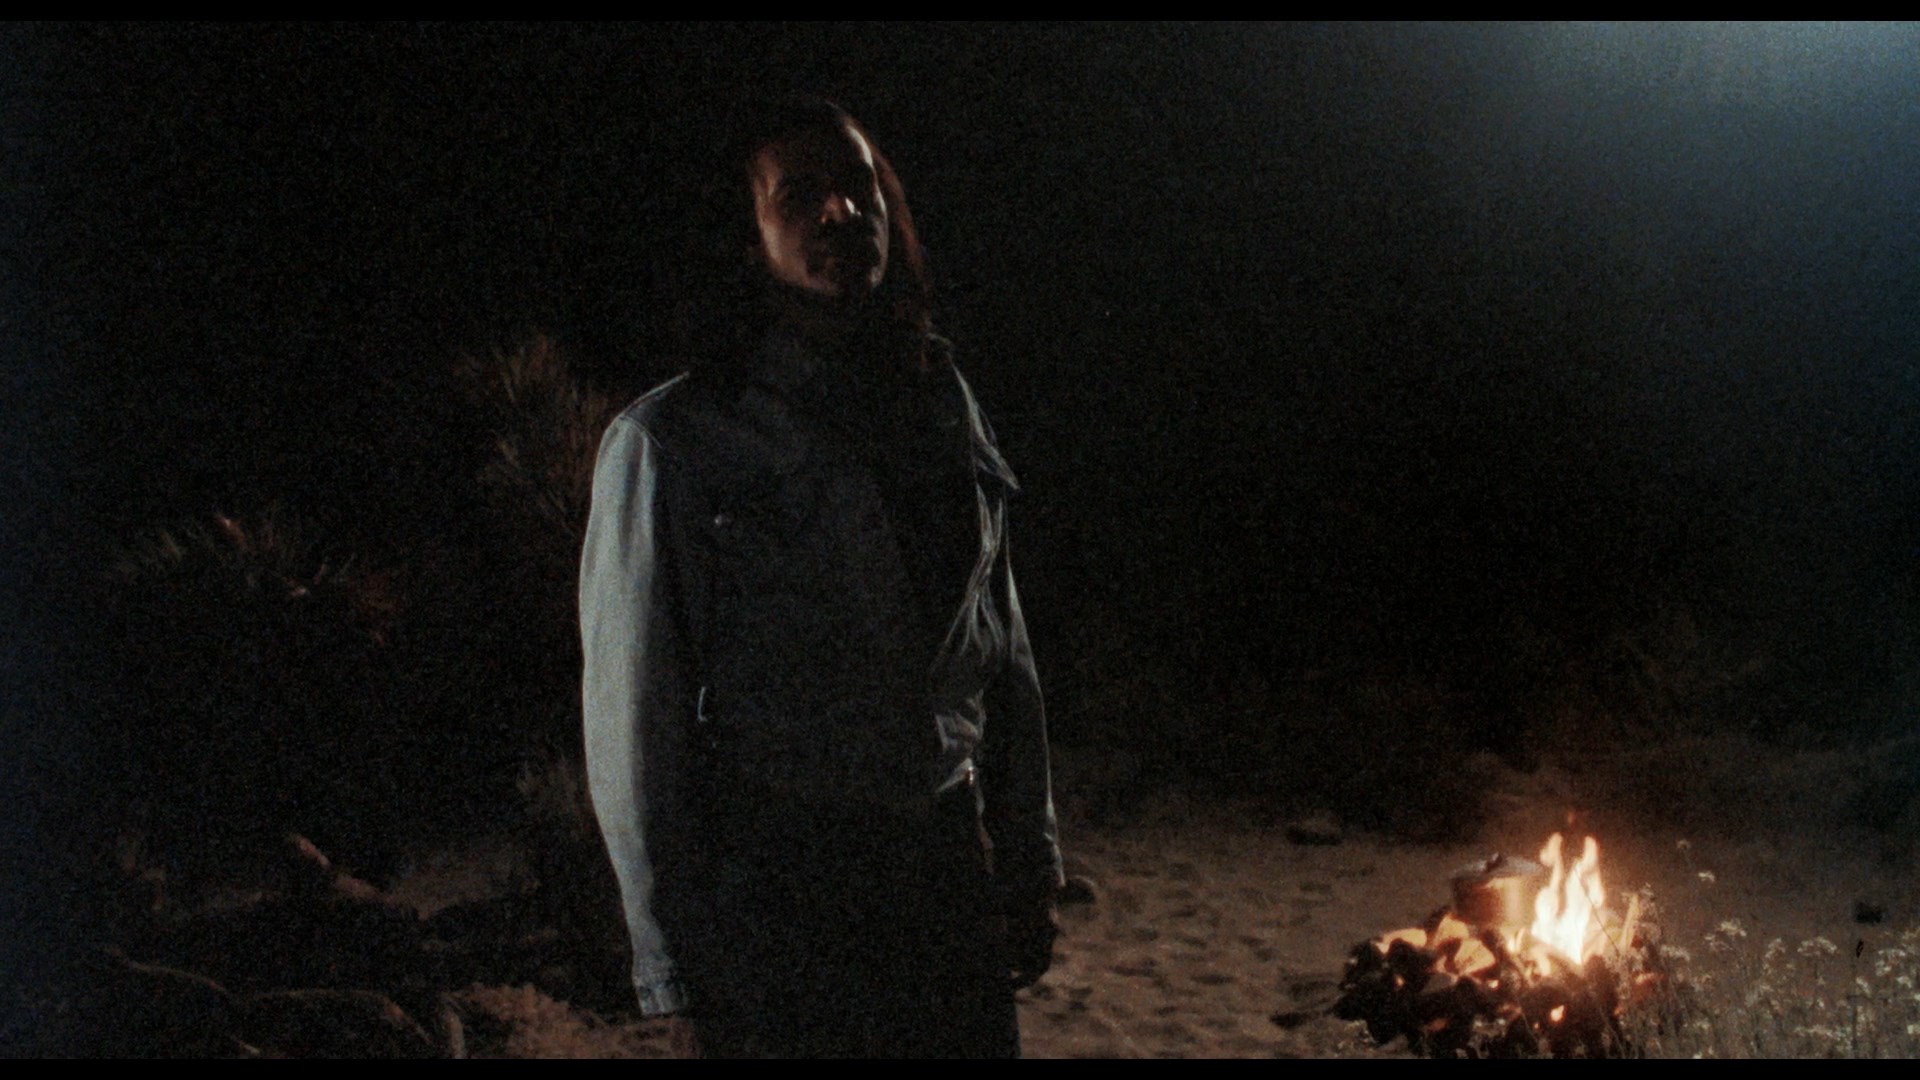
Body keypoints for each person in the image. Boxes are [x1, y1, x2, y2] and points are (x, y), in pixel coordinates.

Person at [579, 97, 1063, 1058]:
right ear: (747, 236)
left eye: (858, 185)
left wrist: (1028, 853)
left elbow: (999, 642)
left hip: (941, 861)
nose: (841, 211)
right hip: (783, 885)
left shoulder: (939, 401)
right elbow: (636, 722)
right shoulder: (674, 443)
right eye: (800, 195)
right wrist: (671, 967)